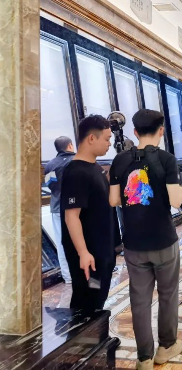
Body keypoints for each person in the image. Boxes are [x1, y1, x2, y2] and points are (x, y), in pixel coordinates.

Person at [109, 109, 182, 369]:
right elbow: (175, 202)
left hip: (133, 242)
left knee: (139, 300)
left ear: (135, 132)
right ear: (161, 131)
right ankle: (166, 347)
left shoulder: (120, 160)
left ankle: (144, 357)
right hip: (163, 240)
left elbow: (113, 200)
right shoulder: (166, 159)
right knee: (168, 295)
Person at [61, 115, 115, 312]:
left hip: (101, 251)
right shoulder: (76, 172)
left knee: (98, 296)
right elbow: (71, 216)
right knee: (88, 299)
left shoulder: (94, 167)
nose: (109, 144)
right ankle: (84, 332)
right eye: (107, 139)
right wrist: (83, 253)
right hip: (89, 256)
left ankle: (95, 330)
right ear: (92, 138)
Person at [45, 136, 75, 284]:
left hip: (57, 207)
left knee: (62, 243)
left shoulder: (50, 165)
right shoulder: (78, 161)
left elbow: (49, 184)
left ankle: (68, 277)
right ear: (70, 146)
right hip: (78, 207)